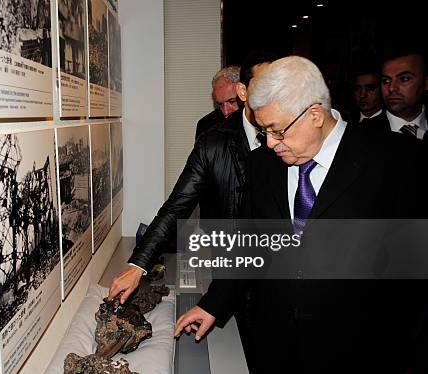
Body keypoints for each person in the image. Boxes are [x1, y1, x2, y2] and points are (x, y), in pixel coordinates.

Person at [176, 56, 427, 373]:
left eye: (277, 130)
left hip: (362, 349)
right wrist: (213, 304)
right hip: (275, 344)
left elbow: (415, 272)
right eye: (263, 130)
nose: (270, 143)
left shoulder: (397, 160)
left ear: (315, 114)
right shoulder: (262, 166)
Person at [108, 53, 276, 303]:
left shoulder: (290, 136)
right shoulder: (213, 140)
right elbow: (178, 205)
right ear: (244, 91)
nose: (226, 111)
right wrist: (138, 265)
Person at [381, 46, 427, 139]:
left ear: (425, 83)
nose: (392, 88)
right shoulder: (364, 133)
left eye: (404, 79)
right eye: (386, 81)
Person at [194, 66, 241, 140]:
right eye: (220, 104)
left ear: (245, 93)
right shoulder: (206, 126)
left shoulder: (261, 120)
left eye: (232, 101)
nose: (225, 112)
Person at [350, 63, 389, 132]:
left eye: (370, 88)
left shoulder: (393, 124)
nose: (362, 95)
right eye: (357, 89)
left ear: (382, 89)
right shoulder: (344, 121)